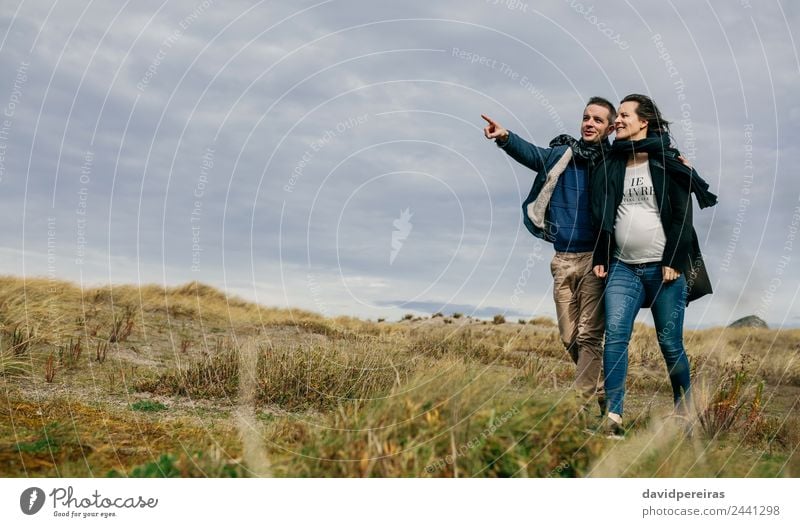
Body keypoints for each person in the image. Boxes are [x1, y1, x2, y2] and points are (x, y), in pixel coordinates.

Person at [591, 94, 717, 437]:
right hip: (622, 267)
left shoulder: (667, 161)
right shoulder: (611, 160)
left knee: (669, 343)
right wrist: (601, 256)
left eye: (624, 115)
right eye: (616, 115)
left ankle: (685, 413)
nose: (617, 120)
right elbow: (605, 215)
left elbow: (681, 216)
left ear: (643, 121)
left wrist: (674, 261)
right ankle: (613, 419)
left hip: (665, 270)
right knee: (615, 337)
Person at [482, 97, 616, 414]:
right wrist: (504, 137)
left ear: (610, 128)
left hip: (595, 260)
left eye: (598, 120)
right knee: (568, 336)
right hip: (562, 259)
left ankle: (579, 409)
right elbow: (532, 155)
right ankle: (601, 388)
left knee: (588, 336)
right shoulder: (562, 155)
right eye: (586, 117)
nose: (589, 123)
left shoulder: (614, 164)